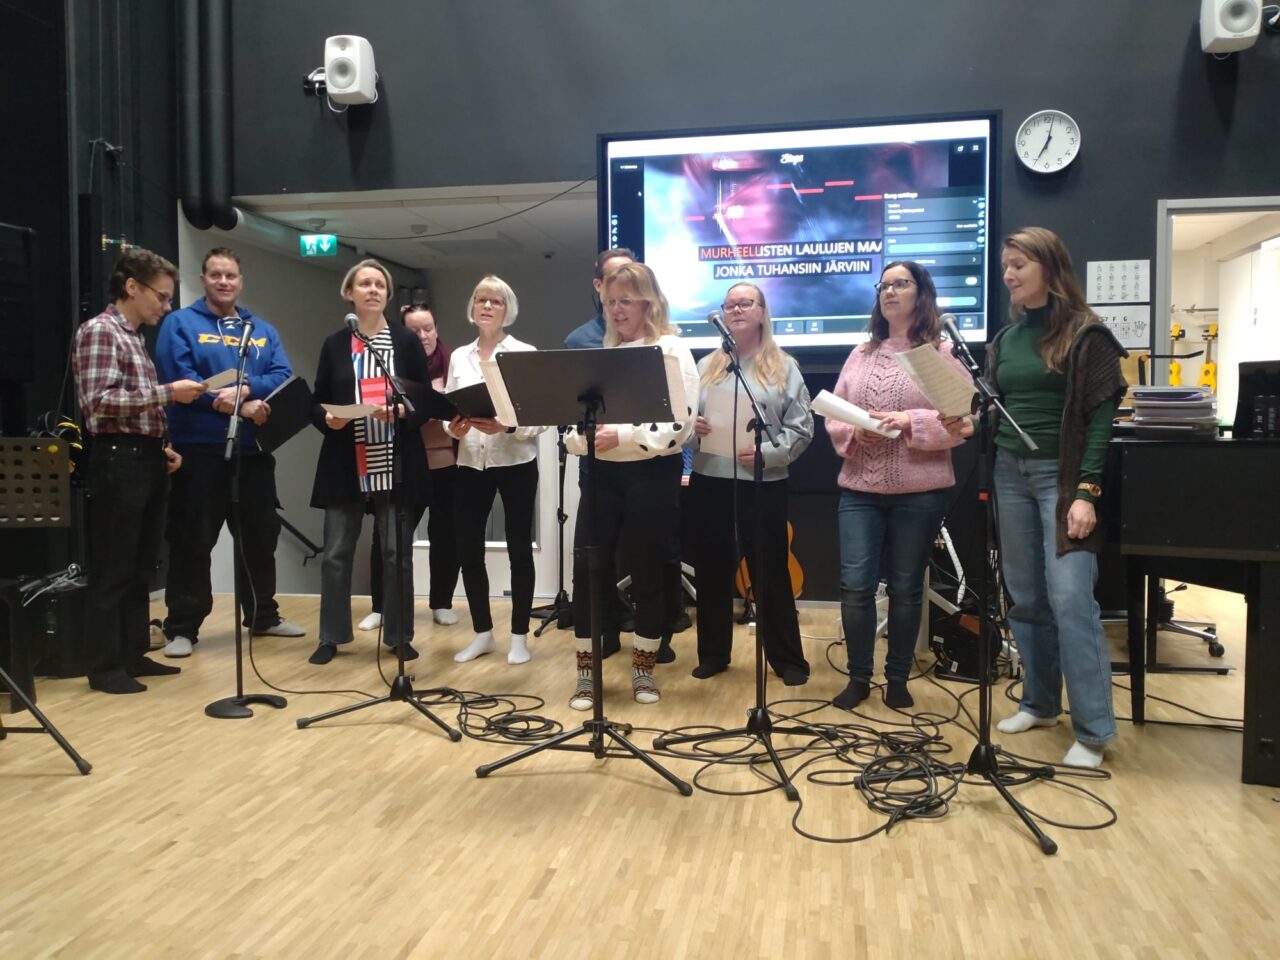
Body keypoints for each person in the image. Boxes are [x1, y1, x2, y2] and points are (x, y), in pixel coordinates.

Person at [989, 227, 1127, 769]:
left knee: (1071, 601)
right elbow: (1000, 407)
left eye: (1019, 264)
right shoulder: (1006, 339)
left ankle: (1093, 732)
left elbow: (1100, 421)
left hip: (1062, 479)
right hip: (1008, 474)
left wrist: (1087, 492)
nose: (1008, 274)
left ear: (1050, 266)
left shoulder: (1087, 335)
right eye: (1006, 265)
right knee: (1026, 597)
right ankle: (1040, 704)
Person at [825, 261, 974, 711]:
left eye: (900, 284)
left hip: (919, 492)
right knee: (855, 587)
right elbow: (835, 413)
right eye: (884, 285)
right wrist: (856, 430)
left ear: (920, 293)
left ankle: (897, 679)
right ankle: (858, 678)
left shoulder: (939, 354)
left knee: (907, 590)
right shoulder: (862, 353)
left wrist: (910, 421)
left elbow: (963, 420)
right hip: (859, 489)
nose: (889, 292)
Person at [154, 247, 305, 658]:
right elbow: (178, 377)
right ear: (203, 279)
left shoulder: (260, 329)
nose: (224, 281)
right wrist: (235, 404)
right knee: (192, 538)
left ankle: (263, 616)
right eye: (216, 275)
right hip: (198, 451)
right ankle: (182, 627)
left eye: (231, 275)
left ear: (241, 281)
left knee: (260, 536)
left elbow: (281, 374)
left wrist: (247, 390)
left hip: (252, 451)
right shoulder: (179, 323)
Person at [564, 262, 700, 709]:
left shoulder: (672, 350)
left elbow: (679, 425)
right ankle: (587, 675)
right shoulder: (603, 352)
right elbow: (574, 422)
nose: (616, 310)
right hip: (601, 473)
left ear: (649, 302)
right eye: (610, 302)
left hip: (651, 475)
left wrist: (620, 437)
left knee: (647, 570)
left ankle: (643, 670)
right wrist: (580, 440)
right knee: (587, 569)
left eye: (626, 300)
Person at [72, 248, 206, 693]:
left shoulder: (133, 337)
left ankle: (131, 654)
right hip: (118, 459)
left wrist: (160, 446)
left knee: (141, 565)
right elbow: (99, 403)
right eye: (161, 296)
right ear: (132, 287)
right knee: (114, 566)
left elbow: (133, 405)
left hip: (144, 456)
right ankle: (104, 666)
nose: (166, 306)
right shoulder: (100, 331)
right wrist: (168, 393)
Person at [307, 259, 431, 665]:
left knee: (397, 554)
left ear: (388, 295)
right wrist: (328, 418)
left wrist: (404, 413)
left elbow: (424, 401)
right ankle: (330, 636)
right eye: (365, 283)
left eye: (380, 284)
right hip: (346, 460)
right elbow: (317, 402)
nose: (373, 290)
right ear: (350, 293)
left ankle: (398, 636)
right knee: (335, 553)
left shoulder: (406, 342)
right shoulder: (334, 344)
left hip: (395, 459)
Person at [688, 282, 813, 685]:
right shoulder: (706, 366)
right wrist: (693, 429)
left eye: (746, 303)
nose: (737, 310)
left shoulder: (783, 366)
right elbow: (683, 422)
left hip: (763, 480)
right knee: (711, 569)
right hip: (710, 478)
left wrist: (769, 453)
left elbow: (802, 427)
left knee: (770, 570)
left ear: (762, 312)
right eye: (730, 305)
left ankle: (788, 660)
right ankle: (712, 654)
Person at [445, 276, 545, 665]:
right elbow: (448, 408)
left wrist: (508, 426)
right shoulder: (459, 356)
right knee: (468, 548)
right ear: (472, 307)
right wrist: (451, 428)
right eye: (481, 299)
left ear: (508, 310)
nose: (487, 306)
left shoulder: (524, 353)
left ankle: (519, 637)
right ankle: (482, 633)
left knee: (519, 548)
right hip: (470, 461)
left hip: (516, 461)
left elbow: (540, 416)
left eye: (496, 301)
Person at [360, 301, 461, 632]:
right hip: (405, 462)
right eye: (414, 330)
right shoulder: (391, 364)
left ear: (437, 330)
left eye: (428, 328)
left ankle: (441, 602)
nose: (422, 336)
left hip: (447, 464)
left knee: (445, 535)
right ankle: (381, 605)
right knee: (388, 536)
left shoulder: (453, 364)